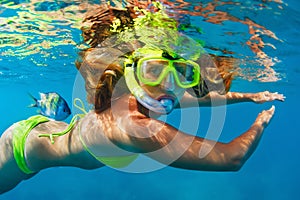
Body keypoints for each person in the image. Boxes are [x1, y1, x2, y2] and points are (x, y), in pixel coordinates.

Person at [0, 1, 284, 194]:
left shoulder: (132, 93)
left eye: (180, 74)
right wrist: (260, 123)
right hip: (20, 152)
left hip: (43, 134)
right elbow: (232, 158)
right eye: (154, 71)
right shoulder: (138, 129)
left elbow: (198, 99)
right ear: (132, 72)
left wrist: (250, 96)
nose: (167, 86)